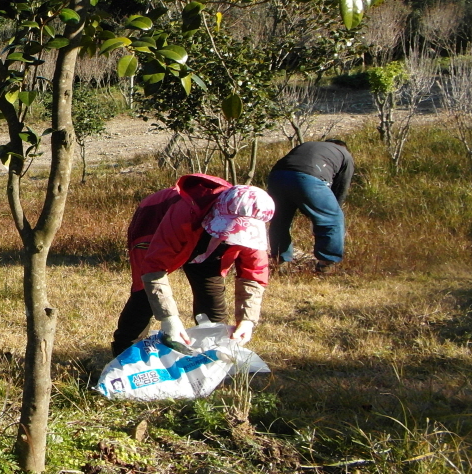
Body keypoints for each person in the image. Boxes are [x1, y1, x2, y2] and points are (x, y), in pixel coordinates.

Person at [112, 176, 274, 356]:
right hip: (154, 222)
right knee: (144, 295)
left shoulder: (252, 228)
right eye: (229, 228)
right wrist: (169, 319)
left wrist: (247, 320)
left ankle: (213, 355)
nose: (230, 235)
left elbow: (254, 274)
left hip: (206, 244)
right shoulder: (184, 212)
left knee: (212, 296)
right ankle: (124, 354)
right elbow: (153, 267)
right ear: (218, 209)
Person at [267, 139, 354, 272]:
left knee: (280, 220)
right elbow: (341, 189)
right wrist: (325, 213)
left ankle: (280, 261)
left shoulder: (309, 145)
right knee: (333, 218)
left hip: (277, 175)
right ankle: (326, 264)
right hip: (309, 177)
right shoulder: (344, 154)